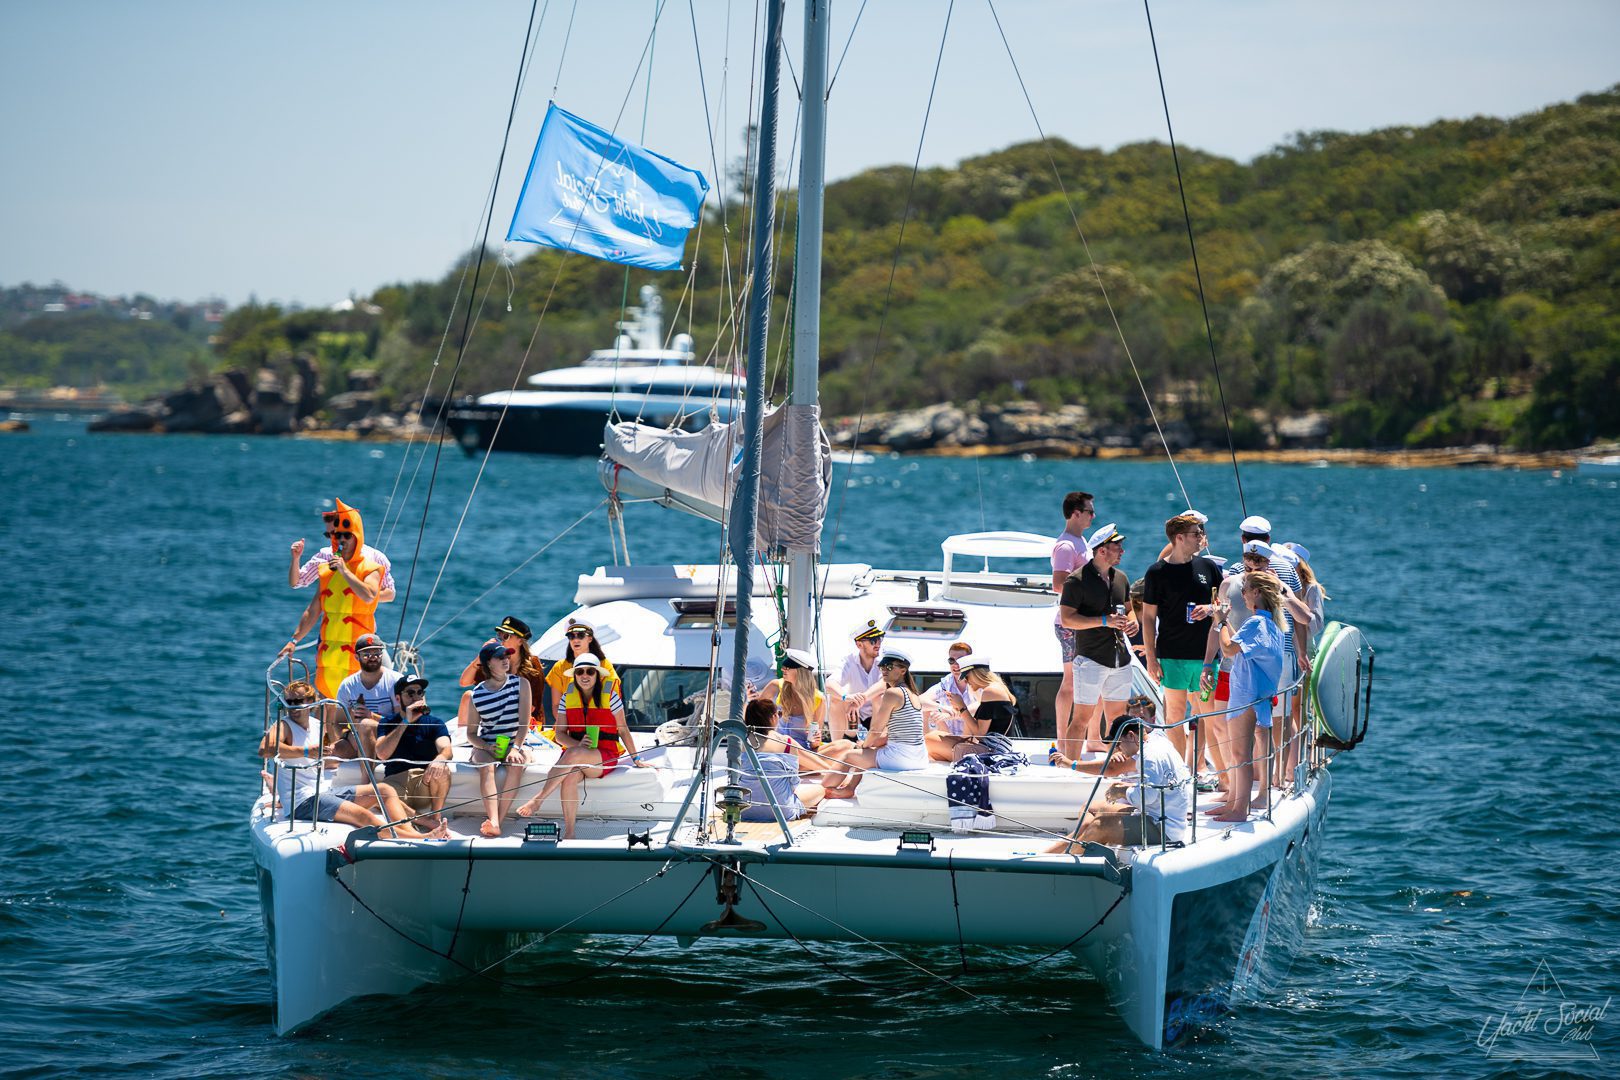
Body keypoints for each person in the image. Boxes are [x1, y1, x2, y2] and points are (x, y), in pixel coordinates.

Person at [258, 680, 445, 840]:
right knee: (363, 816)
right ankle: (423, 838)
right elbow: (265, 748)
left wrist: (329, 750)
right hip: (304, 802)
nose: (293, 706)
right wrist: (306, 751)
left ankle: (410, 830)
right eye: (288, 702)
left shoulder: (317, 726)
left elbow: (325, 761)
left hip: (323, 791)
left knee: (384, 790)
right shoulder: (284, 725)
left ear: (312, 703)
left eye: (298, 701)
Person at [517, 654, 649, 839]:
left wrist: (636, 759)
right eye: (580, 672)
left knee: (572, 754)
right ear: (575, 675)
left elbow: (623, 730)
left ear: (597, 675)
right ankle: (570, 832)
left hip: (604, 757)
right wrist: (578, 744)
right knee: (569, 777)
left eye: (590, 671)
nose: (584, 675)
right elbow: (560, 735)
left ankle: (538, 800)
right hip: (577, 755)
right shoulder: (566, 698)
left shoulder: (610, 696)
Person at [277, 498, 386, 701]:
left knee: (356, 709)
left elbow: (370, 596)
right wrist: (294, 640)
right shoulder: (326, 570)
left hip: (358, 655)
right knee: (327, 704)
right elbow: (313, 610)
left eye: (347, 535)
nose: (341, 540)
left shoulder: (371, 567)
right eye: (337, 535)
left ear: (357, 536)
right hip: (329, 655)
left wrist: (345, 572)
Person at [1141, 513, 1224, 766]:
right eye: (1196, 534)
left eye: (1200, 533)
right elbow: (1147, 618)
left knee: (1211, 718)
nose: (1201, 538)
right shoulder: (1157, 572)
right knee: (1174, 716)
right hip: (1171, 655)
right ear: (1179, 538)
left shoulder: (1208, 568)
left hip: (1205, 656)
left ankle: (1223, 777)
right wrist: (1152, 660)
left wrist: (1209, 610)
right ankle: (1179, 773)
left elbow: (1222, 606)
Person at [1208, 568, 1286, 823]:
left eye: (1246, 589)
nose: (1242, 593)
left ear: (1257, 592)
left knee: (1240, 755)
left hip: (1246, 697)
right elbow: (1239, 643)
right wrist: (1226, 620)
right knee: (1239, 753)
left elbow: (1229, 649)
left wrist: (1219, 622)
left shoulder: (1256, 623)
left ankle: (1240, 810)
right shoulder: (1269, 624)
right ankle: (1234, 803)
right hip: (1253, 696)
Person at [1046, 714, 1190, 850]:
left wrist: (1122, 791)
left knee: (1099, 826)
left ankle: (1061, 861)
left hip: (1164, 827)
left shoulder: (1149, 756)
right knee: (1090, 808)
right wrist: (1126, 787)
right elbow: (1155, 788)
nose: (1117, 749)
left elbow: (1148, 796)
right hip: (1157, 814)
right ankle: (1056, 851)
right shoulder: (1159, 740)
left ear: (1131, 736)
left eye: (1118, 744)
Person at [1059, 523, 1139, 756]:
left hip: (1120, 659)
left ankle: (1119, 768)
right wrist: (1105, 621)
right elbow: (1067, 620)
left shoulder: (1121, 578)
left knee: (1118, 719)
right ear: (1101, 550)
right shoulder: (1076, 581)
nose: (1122, 551)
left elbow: (1129, 608)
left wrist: (1132, 621)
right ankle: (1071, 769)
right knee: (1081, 719)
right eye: (1117, 547)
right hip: (1091, 658)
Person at [820, 648, 929, 797]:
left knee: (848, 755)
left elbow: (876, 730)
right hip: (920, 757)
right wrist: (867, 747)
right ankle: (850, 788)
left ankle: (821, 790)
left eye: (889, 667)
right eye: (882, 666)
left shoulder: (893, 693)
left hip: (902, 758)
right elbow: (890, 733)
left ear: (903, 670)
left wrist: (864, 745)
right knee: (865, 753)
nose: (884, 669)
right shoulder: (914, 694)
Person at [458, 639, 533, 838]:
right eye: (500, 657)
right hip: (488, 744)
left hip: (515, 742)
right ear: (489, 663)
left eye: (507, 656)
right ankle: (493, 820)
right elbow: (471, 734)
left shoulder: (521, 684)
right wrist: (487, 747)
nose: (506, 660)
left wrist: (516, 747)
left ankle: (496, 822)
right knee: (486, 767)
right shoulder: (477, 694)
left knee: (516, 765)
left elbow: (524, 722)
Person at [373, 674, 453, 828]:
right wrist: (405, 722)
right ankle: (426, 822)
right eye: (410, 693)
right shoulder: (387, 722)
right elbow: (382, 754)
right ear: (398, 698)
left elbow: (446, 749)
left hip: (423, 782)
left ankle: (435, 817)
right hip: (395, 783)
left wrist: (440, 758)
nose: (416, 697)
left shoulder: (435, 723)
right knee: (377, 793)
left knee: (444, 770)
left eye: (420, 692)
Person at [1050, 491, 1097, 756]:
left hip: (1084, 621)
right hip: (1070, 623)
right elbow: (1059, 584)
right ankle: (1062, 741)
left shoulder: (1081, 542)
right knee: (1070, 683)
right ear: (1076, 513)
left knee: (1093, 680)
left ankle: (1093, 738)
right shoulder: (1066, 546)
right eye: (1089, 511)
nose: (1093, 515)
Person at [732, 697, 827, 822]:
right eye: (779, 714)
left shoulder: (739, 742)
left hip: (745, 810)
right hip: (782, 811)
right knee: (820, 790)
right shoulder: (786, 742)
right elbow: (793, 783)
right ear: (773, 717)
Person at [288, 500, 396, 604]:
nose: (333, 538)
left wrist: (360, 594)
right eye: (328, 535)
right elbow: (297, 582)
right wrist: (296, 558)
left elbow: (390, 594)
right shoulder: (325, 555)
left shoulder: (375, 557)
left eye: (336, 534)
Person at [925, 654, 1018, 762]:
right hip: (993, 750)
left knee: (929, 740)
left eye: (966, 677)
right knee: (935, 735)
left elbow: (979, 734)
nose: (966, 682)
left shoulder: (990, 692)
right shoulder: (998, 689)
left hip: (989, 754)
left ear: (975, 675)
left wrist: (962, 707)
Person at [460, 616, 547, 731]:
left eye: (506, 636)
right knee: (468, 696)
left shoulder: (532, 665)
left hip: (523, 721)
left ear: (520, 641)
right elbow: (464, 682)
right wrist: (480, 657)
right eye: (500, 635)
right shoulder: (494, 661)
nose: (501, 640)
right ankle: (462, 737)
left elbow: (531, 706)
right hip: (495, 716)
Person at [332, 632, 400, 758]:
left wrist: (371, 716)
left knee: (366, 725)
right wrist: (349, 736)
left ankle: (366, 777)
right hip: (357, 737)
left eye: (377, 654)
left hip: (389, 738)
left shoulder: (395, 681)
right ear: (356, 657)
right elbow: (338, 723)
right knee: (331, 753)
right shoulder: (347, 685)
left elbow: (401, 721)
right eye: (366, 655)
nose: (373, 658)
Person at [543, 619, 621, 730]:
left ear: (590, 638)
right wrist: (571, 727)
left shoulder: (604, 665)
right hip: (568, 729)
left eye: (580, 635)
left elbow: (611, 700)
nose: (575, 640)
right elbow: (556, 705)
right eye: (571, 636)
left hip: (599, 728)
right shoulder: (559, 667)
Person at [826, 620, 889, 741]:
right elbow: (829, 684)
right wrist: (846, 697)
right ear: (859, 645)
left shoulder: (884, 660)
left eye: (880, 639)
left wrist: (860, 700)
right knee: (836, 698)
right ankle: (836, 744)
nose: (878, 644)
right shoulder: (849, 661)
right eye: (872, 641)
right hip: (855, 720)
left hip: (878, 720)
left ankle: (876, 741)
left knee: (879, 697)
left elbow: (884, 684)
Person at [760, 648, 827, 750]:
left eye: (787, 667)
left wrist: (815, 739)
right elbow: (755, 715)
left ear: (800, 672)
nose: (782, 669)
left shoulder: (819, 699)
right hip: (774, 745)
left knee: (842, 746)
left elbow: (814, 745)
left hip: (801, 750)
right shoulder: (776, 686)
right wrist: (751, 699)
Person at [921, 641, 978, 735]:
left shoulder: (977, 681)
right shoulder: (946, 683)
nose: (955, 665)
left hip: (974, 738)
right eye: (951, 661)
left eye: (960, 660)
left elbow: (982, 706)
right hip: (950, 738)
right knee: (927, 709)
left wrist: (952, 715)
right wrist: (943, 708)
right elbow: (919, 701)